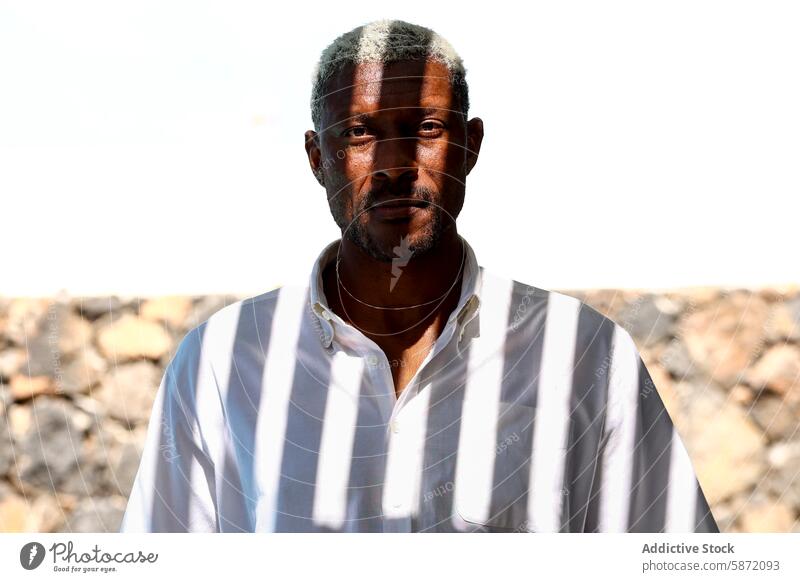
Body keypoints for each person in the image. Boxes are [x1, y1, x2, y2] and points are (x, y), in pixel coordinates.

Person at [119, 18, 719, 533]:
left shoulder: (582, 355)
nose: (394, 166)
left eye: (425, 129)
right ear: (315, 157)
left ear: (470, 144)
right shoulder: (223, 365)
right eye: (358, 133)